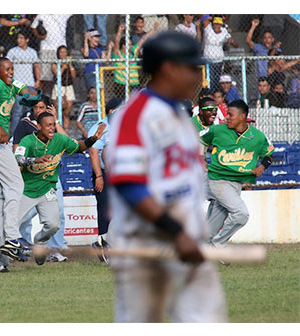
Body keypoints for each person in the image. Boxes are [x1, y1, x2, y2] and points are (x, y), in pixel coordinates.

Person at [106, 31, 227, 322]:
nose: (198, 76)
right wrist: (175, 231)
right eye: (192, 68)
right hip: (146, 245)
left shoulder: (180, 116)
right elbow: (129, 185)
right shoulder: (136, 114)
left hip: (186, 240)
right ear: (169, 68)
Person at [15, 112, 106, 266]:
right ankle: (1, 262)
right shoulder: (28, 141)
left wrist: (93, 139)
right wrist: (34, 160)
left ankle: (39, 243)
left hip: (47, 189)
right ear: (39, 127)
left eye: (53, 125)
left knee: (53, 225)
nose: (52, 128)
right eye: (48, 125)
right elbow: (17, 158)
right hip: (26, 190)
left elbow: (79, 147)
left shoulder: (60, 139)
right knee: (11, 224)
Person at [0, 57, 38, 273]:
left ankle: (2, 260)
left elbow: (29, 93)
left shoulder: (8, 82)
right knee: (16, 185)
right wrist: (0, 128)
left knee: (3, 194)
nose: (10, 72)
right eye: (6, 69)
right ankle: (12, 237)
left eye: (12, 68)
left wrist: (29, 96)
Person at [200, 100, 274, 254]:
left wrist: (262, 167)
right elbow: (196, 139)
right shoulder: (217, 130)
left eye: (230, 114)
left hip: (236, 183)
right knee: (241, 214)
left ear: (242, 116)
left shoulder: (257, 136)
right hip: (218, 180)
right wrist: (200, 158)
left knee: (212, 226)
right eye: (227, 114)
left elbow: (268, 154)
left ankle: (201, 249)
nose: (226, 117)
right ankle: (219, 244)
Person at [12, 95, 70, 263]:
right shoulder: (25, 125)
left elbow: (69, 141)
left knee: (57, 214)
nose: (39, 110)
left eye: (42, 107)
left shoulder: (53, 125)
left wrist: (56, 120)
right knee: (25, 216)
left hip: (51, 176)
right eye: (36, 107)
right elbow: (17, 151)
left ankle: (54, 249)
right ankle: (22, 246)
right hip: (30, 179)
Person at [88, 97, 122, 264]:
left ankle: (102, 243)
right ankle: (103, 245)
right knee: (105, 208)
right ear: (111, 111)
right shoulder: (99, 127)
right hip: (103, 172)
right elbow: (94, 152)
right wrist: (99, 176)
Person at [6, 29, 41, 136]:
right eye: (18, 38)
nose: (19, 40)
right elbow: (7, 67)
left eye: (21, 38)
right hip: (17, 86)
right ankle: (14, 136)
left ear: (27, 40)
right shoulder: (12, 52)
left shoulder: (32, 52)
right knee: (17, 112)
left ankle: (31, 135)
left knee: (31, 111)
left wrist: (38, 80)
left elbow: (36, 66)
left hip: (30, 84)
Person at [31, 15, 72, 93]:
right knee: (44, 77)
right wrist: (39, 36)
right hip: (46, 49)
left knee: (58, 77)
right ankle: (43, 98)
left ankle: (55, 97)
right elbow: (33, 26)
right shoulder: (42, 14)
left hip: (60, 49)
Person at [111, 24, 155, 98]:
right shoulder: (117, 54)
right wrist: (120, 31)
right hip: (121, 84)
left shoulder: (133, 52)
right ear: (123, 46)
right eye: (129, 44)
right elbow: (117, 41)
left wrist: (153, 29)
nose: (131, 46)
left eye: (131, 44)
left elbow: (143, 39)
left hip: (134, 83)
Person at [200, 16, 238, 90]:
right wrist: (210, 16)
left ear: (221, 25)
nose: (217, 25)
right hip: (208, 60)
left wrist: (231, 41)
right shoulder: (208, 29)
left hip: (219, 60)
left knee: (217, 80)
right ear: (212, 24)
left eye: (218, 24)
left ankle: (215, 95)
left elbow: (236, 45)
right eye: (215, 24)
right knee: (208, 80)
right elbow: (203, 17)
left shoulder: (224, 31)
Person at [51, 45, 76, 130]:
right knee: (58, 109)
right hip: (58, 86)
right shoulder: (55, 63)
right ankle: (57, 128)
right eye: (61, 52)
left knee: (67, 111)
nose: (63, 54)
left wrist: (70, 65)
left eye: (65, 52)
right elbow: (56, 74)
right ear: (58, 53)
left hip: (68, 86)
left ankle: (66, 129)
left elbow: (74, 75)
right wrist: (63, 67)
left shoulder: (69, 63)